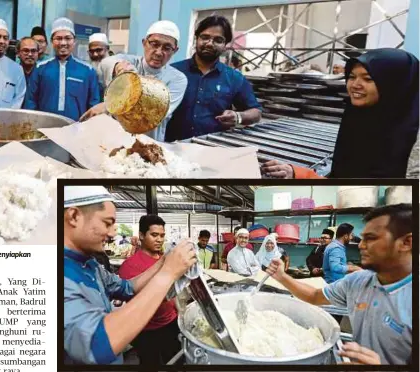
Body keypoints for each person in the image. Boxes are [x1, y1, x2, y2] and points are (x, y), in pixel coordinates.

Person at [64, 186, 197, 365]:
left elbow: (126, 288)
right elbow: (96, 346)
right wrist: (168, 273)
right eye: (107, 223)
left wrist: (165, 260)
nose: (113, 233)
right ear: (74, 217)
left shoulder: (91, 264)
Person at [266, 204, 412, 365]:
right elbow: (314, 296)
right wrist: (281, 276)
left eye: (371, 238)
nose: (361, 245)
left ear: (407, 242)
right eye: (362, 238)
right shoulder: (358, 281)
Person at [262, 48, 419, 179]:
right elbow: (340, 181)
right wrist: (297, 174)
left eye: (368, 79)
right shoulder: (356, 120)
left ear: (394, 85)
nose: (355, 85)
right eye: (351, 77)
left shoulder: (413, 139)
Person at [80, 20, 188, 142]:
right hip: (114, 138)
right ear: (144, 43)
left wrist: (110, 106)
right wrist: (118, 66)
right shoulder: (130, 60)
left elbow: (155, 112)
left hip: (147, 142)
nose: (158, 52)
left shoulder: (177, 79)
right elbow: (105, 63)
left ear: (175, 50)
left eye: (167, 48)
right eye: (154, 44)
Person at [166, 16, 261, 142]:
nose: (210, 43)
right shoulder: (172, 71)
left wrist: (238, 116)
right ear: (196, 39)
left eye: (218, 40)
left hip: (212, 148)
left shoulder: (234, 78)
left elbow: (256, 112)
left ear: (225, 45)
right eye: (205, 37)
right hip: (171, 147)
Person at [118, 215, 180, 365]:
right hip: (147, 330)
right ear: (141, 235)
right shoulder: (130, 266)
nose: (159, 239)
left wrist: (180, 312)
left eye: (162, 235)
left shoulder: (163, 259)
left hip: (171, 323)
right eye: (154, 235)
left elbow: (174, 291)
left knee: (176, 361)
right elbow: (133, 299)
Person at [24, 17, 100, 122]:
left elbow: (94, 105)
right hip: (45, 130)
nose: (63, 43)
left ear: (74, 41)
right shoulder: (40, 69)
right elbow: (30, 102)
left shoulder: (88, 71)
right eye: (58, 38)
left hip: (77, 130)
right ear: (51, 41)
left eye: (68, 38)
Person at [87, 32, 109, 99]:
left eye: (99, 50)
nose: (95, 54)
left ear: (107, 49)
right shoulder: (88, 69)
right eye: (92, 51)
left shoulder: (115, 67)